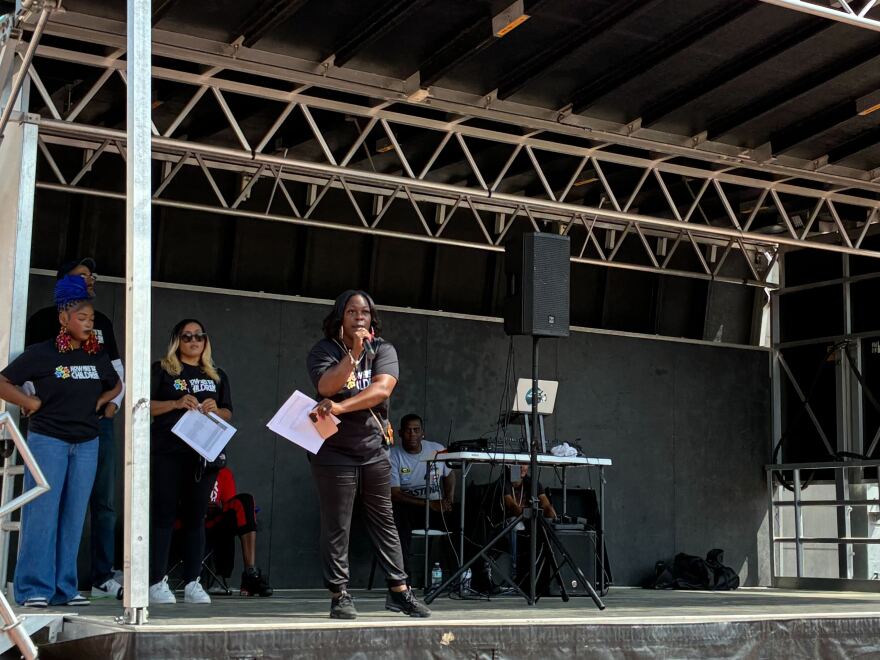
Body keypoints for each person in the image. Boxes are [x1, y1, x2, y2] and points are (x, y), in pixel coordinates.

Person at [308, 290, 430, 619]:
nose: (359, 317)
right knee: (337, 524)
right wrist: (353, 356)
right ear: (341, 316)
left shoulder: (384, 350)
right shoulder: (325, 350)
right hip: (333, 449)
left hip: (374, 447)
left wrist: (343, 406)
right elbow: (325, 387)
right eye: (352, 311)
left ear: (371, 318)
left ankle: (399, 591)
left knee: (384, 520)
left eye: (364, 312)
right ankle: (340, 594)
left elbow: (382, 390)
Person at [0, 276, 121, 607]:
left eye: (91, 319)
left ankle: (64, 588)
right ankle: (33, 588)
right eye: (81, 318)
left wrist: (106, 402)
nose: (87, 323)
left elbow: (116, 383)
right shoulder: (42, 353)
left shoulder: (97, 355)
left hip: (86, 442)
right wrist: (29, 403)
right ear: (63, 318)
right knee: (42, 512)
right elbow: (3, 381)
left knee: (73, 514)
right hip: (48, 439)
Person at [148, 319, 233, 605]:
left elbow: (228, 412)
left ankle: (193, 581)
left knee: (197, 518)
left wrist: (216, 410)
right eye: (186, 337)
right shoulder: (162, 370)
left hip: (202, 455)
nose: (193, 341)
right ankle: (156, 581)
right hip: (168, 451)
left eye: (198, 336)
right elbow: (145, 405)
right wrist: (175, 403)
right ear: (177, 341)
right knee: (163, 515)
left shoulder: (217, 374)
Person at [389, 414, 457, 577]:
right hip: (409, 510)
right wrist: (429, 504)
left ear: (422, 433)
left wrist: (449, 499)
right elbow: (395, 494)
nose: (412, 434)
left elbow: (450, 474)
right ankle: (404, 578)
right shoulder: (393, 455)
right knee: (398, 518)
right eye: (407, 430)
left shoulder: (436, 449)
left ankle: (462, 575)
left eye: (416, 430)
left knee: (463, 518)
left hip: (435, 509)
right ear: (399, 433)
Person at [204, 456, 273, 597]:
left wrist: (220, 507)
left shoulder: (224, 473)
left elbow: (230, 505)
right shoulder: (186, 469)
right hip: (189, 522)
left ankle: (250, 572)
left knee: (245, 501)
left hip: (214, 524)